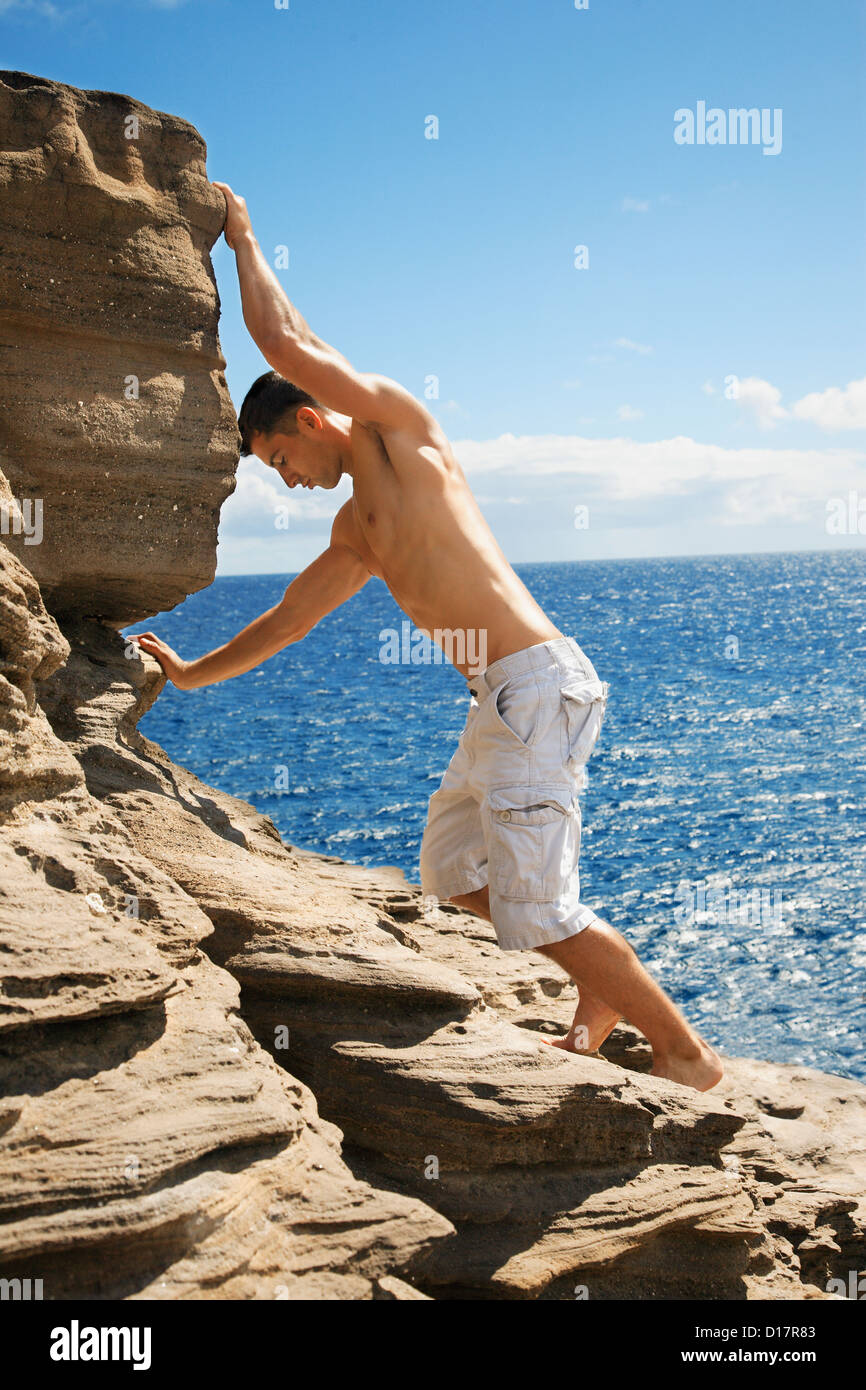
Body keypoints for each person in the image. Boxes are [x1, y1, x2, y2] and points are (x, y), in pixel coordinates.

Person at [131, 184, 723, 1092]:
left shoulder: (402, 433)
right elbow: (287, 620)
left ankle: (684, 1053)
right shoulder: (357, 530)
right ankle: (600, 989)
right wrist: (192, 675)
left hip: (537, 687)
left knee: (541, 909)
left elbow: (289, 344)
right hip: (501, 701)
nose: (286, 482)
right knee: (451, 871)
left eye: (281, 461)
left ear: (310, 420)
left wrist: (241, 240)